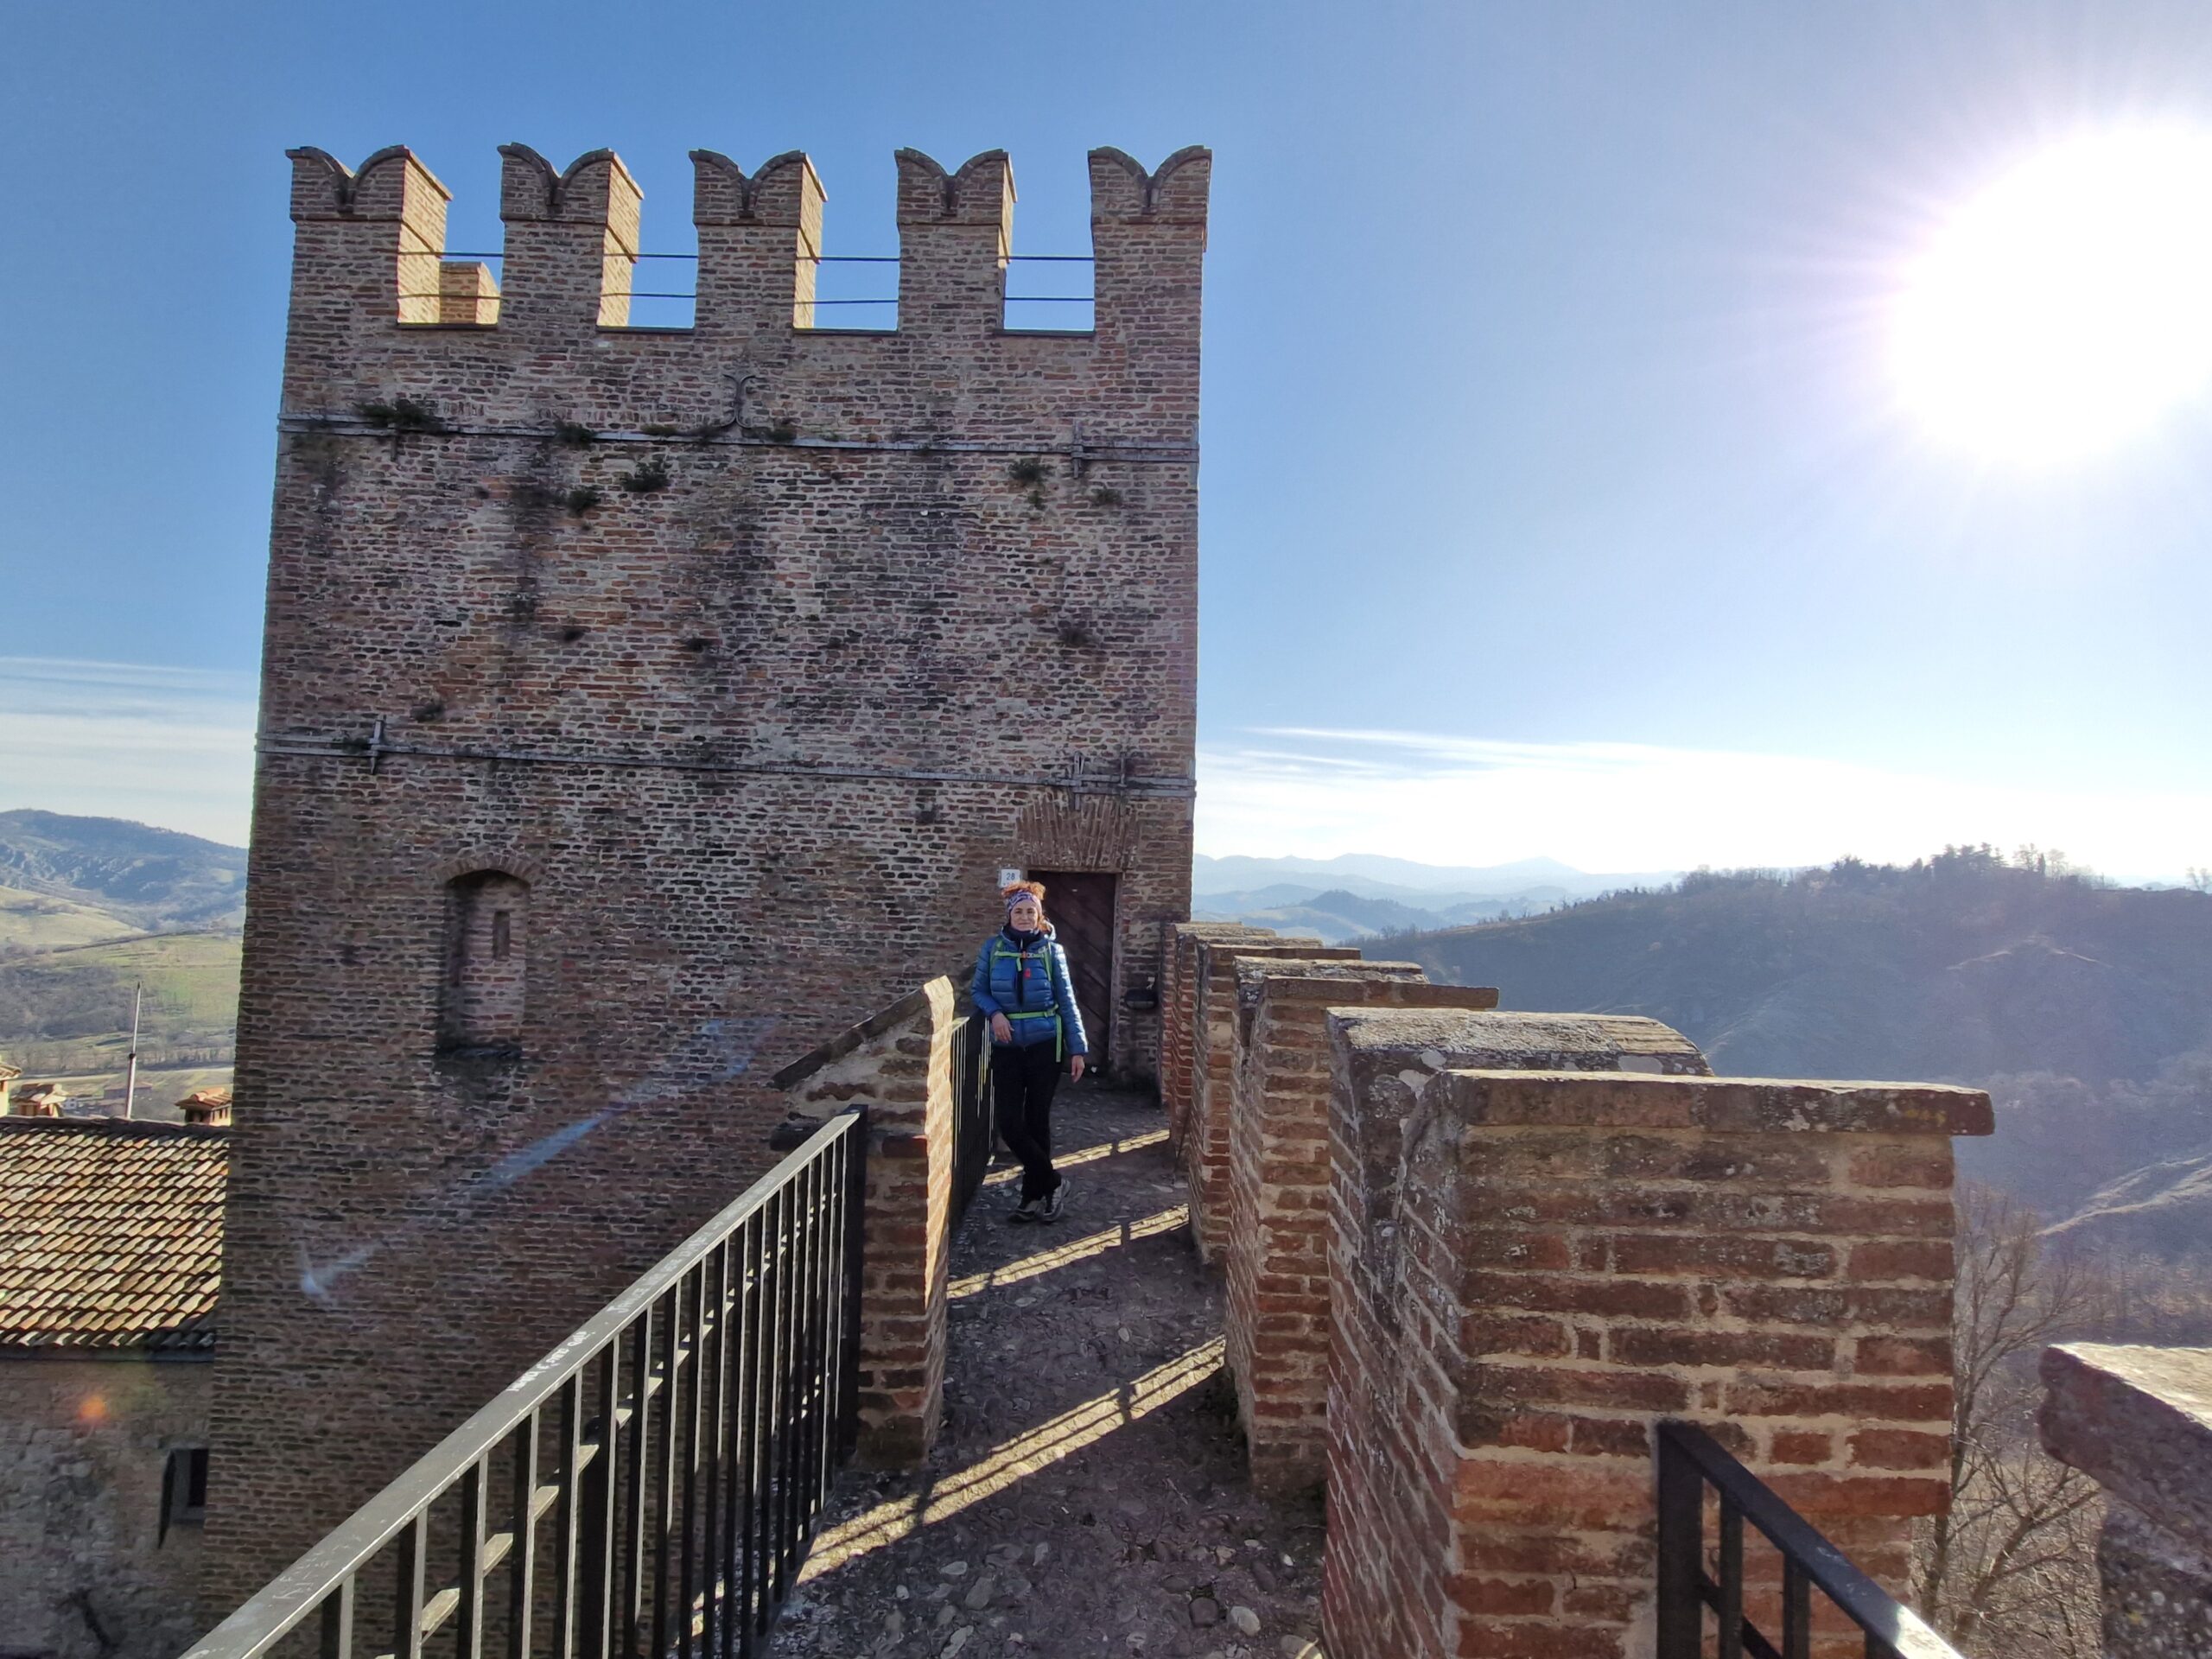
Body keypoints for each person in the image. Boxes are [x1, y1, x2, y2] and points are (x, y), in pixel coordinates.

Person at [971, 880, 1088, 1223]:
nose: (1024, 917)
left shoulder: (1052, 953)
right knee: (1009, 1123)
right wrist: (995, 1013)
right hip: (1006, 1046)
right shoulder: (992, 949)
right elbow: (978, 990)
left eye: (1030, 912)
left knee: (1038, 1121)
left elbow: (1067, 1002)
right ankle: (1053, 1182)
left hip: (1044, 1045)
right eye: (1019, 911)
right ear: (1010, 915)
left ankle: (1032, 1196)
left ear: (1040, 917)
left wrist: (1077, 1049)